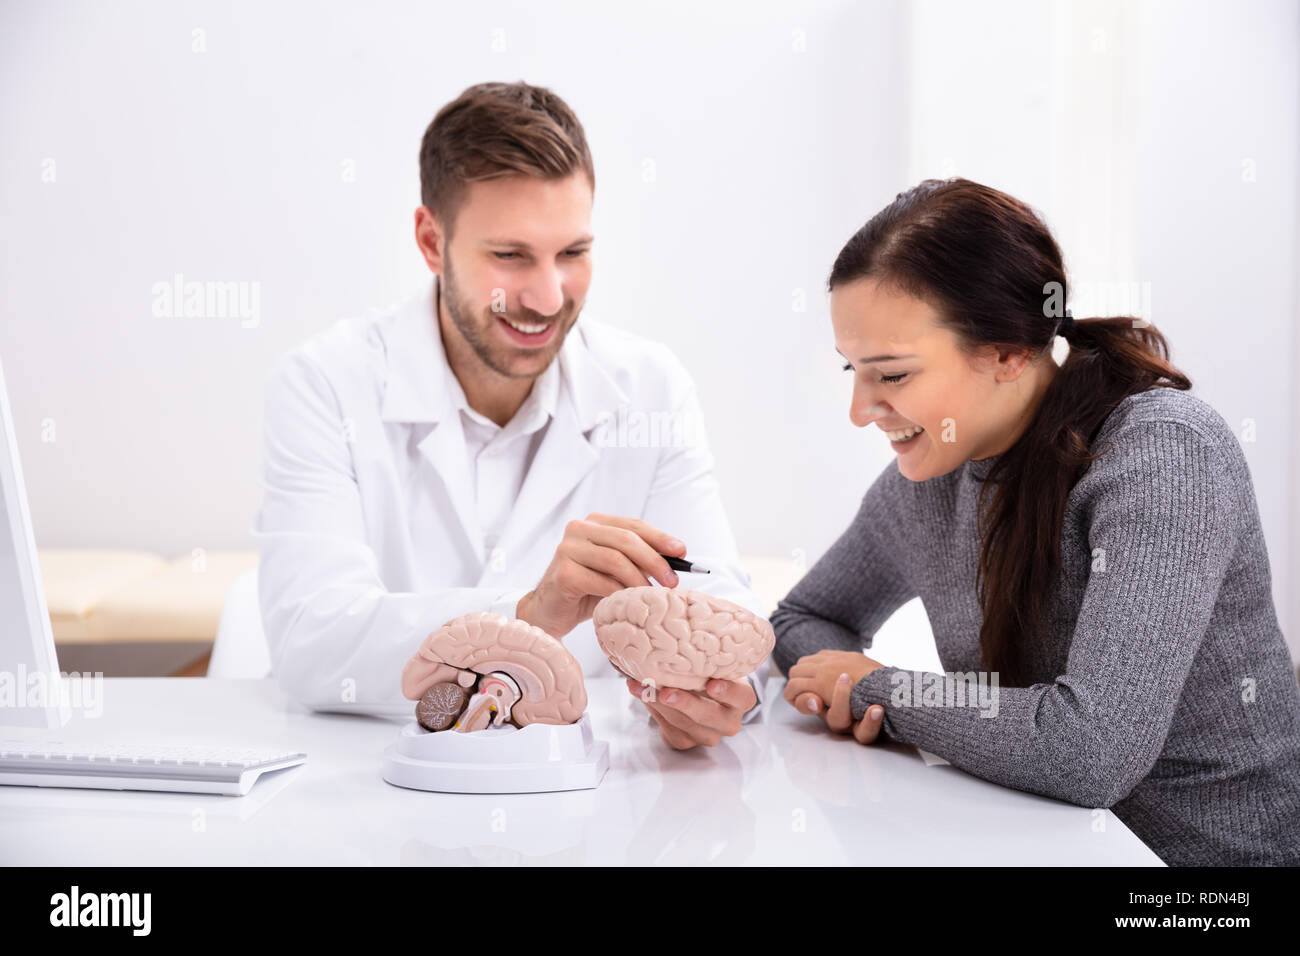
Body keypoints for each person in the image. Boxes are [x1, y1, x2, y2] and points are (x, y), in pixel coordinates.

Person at [772, 177, 1300, 866]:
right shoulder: (935, 476)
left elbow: (1092, 752)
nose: (858, 409)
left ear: (1006, 352)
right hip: (1036, 844)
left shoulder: (1163, 453)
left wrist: (881, 688)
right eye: (853, 369)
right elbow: (803, 620)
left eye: (892, 375)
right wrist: (850, 687)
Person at [253, 81, 769, 749]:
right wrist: (527, 616)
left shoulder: (649, 389)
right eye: (510, 256)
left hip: (595, 794)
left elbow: (726, 606)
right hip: (373, 786)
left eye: (573, 253)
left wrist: (724, 697)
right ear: (431, 242)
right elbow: (312, 641)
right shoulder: (324, 385)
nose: (548, 297)